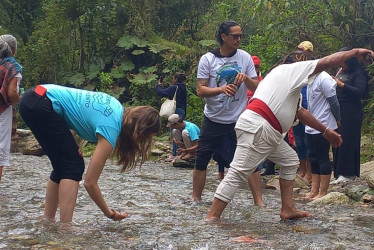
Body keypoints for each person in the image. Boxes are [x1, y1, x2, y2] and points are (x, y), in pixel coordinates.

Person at [206, 48, 374, 221]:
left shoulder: (285, 82)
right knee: (238, 172)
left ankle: (288, 209)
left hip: (265, 130)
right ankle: (212, 217)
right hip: (259, 128)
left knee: (289, 161)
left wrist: (325, 131)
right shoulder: (292, 70)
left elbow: (300, 112)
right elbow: (327, 61)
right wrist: (355, 52)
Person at [19, 84, 161, 223]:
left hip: (33, 97)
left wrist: (70, 144)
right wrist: (109, 213)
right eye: (146, 139)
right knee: (73, 166)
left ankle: (48, 220)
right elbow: (90, 183)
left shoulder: (116, 107)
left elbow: (78, 114)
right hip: (43, 104)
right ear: (138, 132)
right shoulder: (111, 127)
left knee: (62, 165)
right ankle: (65, 229)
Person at [193, 21, 262, 206]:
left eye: (240, 36)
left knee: (249, 158)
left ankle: (259, 202)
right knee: (202, 158)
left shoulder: (245, 58)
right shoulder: (208, 59)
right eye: (235, 36)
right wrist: (221, 90)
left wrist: (246, 78)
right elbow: (200, 90)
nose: (239, 40)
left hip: (237, 118)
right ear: (224, 37)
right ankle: (196, 199)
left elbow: (257, 88)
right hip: (213, 117)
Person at [331, 47, 370, 184]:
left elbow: (359, 91)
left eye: (343, 61)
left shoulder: (359, 72)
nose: (341, 64)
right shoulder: (341, 71)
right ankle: (338, 172)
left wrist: (341, 84)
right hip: (338, 110)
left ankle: (348, 173)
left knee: (347, 140)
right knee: (336, 139)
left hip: (351, 111)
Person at [305, 71, 340, 199]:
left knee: (322, 157)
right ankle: (314, 190)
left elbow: (334, 102)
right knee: (312, 157)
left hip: (324, 123)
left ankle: (323, 192)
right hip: (311, 123)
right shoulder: (309, 78)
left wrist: (338, 118)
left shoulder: (324, 78)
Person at [0, 34, 22, 185]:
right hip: (3, 111)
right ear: (13, 50)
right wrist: (22, 101)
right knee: (1, 149)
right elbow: (12, 92)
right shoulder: (12, 66)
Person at [156, 72, 187, 162]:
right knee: (180, 132)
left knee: (174, 132)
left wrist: (159, 85)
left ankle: (175, 153)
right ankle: (182, 152)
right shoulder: (183, 88)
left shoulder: (174, 87)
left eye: (173, 78)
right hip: (182, 110)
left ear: (176, 79)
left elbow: (161, 92)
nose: (172, 80)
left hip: (175, 111)